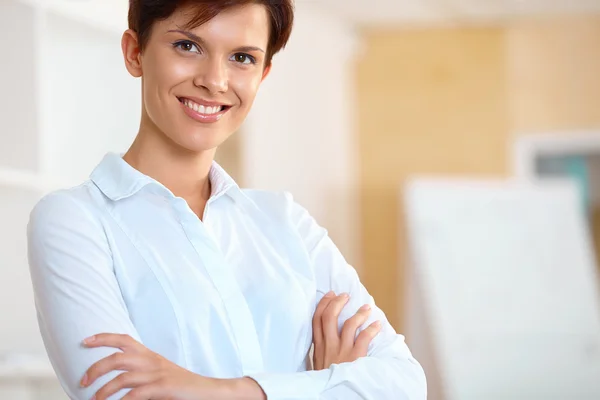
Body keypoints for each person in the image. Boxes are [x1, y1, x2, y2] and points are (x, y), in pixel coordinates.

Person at [27, 1, 427, 399]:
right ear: (135, 53)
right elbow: (117, 394)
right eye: (187, 46)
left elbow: (404, 384)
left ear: (263, 74)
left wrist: (217, 390)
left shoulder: (286, 222)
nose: (215, 81)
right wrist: (321, 385)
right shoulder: (74, 221)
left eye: (242, 58)